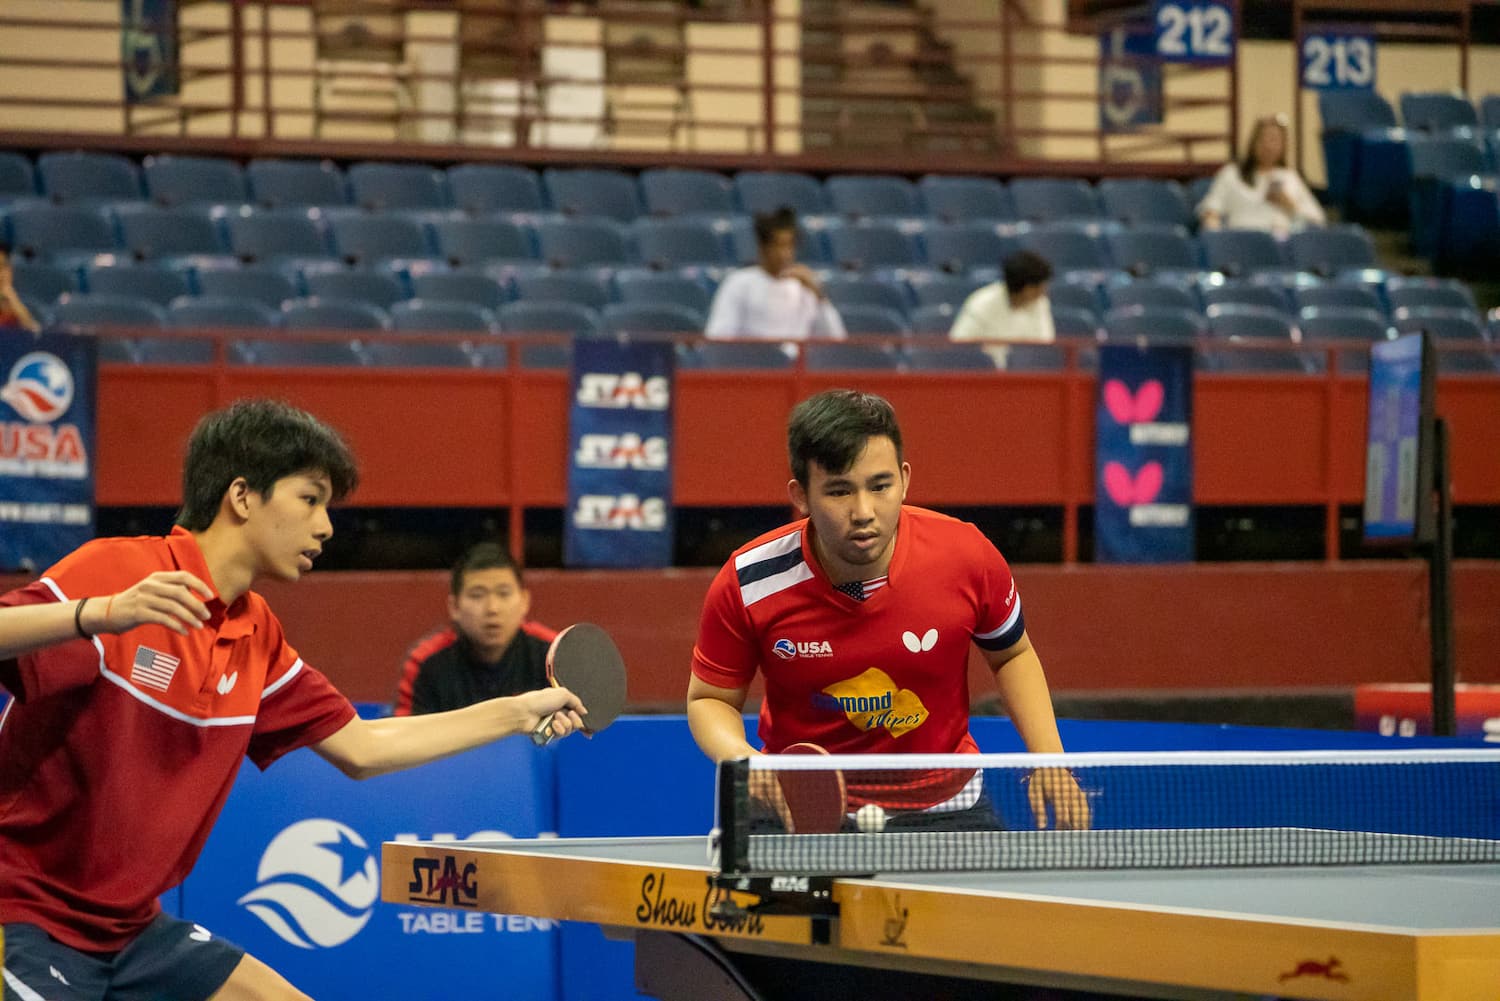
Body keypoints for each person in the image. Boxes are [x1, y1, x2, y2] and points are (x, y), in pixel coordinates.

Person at [0, 399, 585, 1001]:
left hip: (130, 933)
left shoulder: (256, 633)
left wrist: (517, 711)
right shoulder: (122, 570)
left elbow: (363, 746)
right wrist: (101, 613)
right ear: (243, 496)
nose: (326, 526)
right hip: (22, 912)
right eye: (310, 499)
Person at [686, 389, 1088, 832]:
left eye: (880, 487)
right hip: (798, 810)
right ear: (800, 496)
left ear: (905, 478)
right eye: (839, 491)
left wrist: (1049, 757)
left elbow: (1011, 653)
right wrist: (746, 762)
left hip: (945, 807)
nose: (864, 512)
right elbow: (710, 700)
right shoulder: (750, 580)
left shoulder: (966, 556)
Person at [392, 541, 556, 716]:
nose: (492, 608)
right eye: (477, 595)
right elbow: (406, 735)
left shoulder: (554, 654)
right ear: (454, 606)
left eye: (504, 593)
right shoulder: (425, 664)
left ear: (524, 601)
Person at [703, 206, 847, 341]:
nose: (784, 254)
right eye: (778, 246)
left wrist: (819, 295)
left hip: (797, 365)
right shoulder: (738, 282)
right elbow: (718, 336)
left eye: (790, 246)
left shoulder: (806, 286)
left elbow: (835, 339)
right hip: (753, 364)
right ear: (762, 247)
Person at [1196, 114, 1326, 236]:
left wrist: (1289, 205)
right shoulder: (1232, 173)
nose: (1268, 146)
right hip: (1241, 243)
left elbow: (1317, 220)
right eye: (1263, 138)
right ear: (1253, 142)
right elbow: (1211, 212)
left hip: (1281, 244)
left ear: (1284, 145)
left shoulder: (1290, 177)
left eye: (1274, 140)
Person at [947, 249, 1055, 369]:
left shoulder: (1040, 303)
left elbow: (1045, 346)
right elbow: (960, 347)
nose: (1044, 292)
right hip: (985, 377)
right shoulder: (981, 303)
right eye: (1040, 287)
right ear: (1026, 288)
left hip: (1027, 376)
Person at [0, 242, 41, 333]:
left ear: (10, 270)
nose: (0, 274)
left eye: (2, 266)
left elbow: (35, 333)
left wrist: (12, 298)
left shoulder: (26, 306)